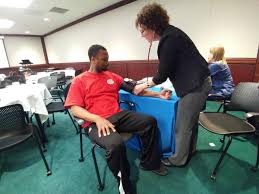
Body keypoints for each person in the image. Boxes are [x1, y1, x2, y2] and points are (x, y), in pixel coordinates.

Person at [64, 44, 171, 194]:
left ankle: (149, 163)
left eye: (108, 59)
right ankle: (124, 182)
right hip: (95, 122)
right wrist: (97, 119)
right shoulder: (79, 80)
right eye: (104, 59)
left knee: (149, 121)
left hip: (118, 115)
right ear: (93, 59)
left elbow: (135, 89)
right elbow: (74, 108)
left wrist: (158, 95)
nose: (108, 62)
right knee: (116, 144)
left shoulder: (112, 76)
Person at [134, 3, 212, 167]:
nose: (141, 35)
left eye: (142, 30)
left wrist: (143, 85)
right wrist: (148, 80)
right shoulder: (172, 34)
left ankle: (178, 160)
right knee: (191, 122)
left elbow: (161, 75)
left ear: (153, 26)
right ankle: (190, 150)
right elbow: (168, 68)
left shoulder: (169, 39)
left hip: (195, 86)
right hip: (201, 82)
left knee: (182, 126)